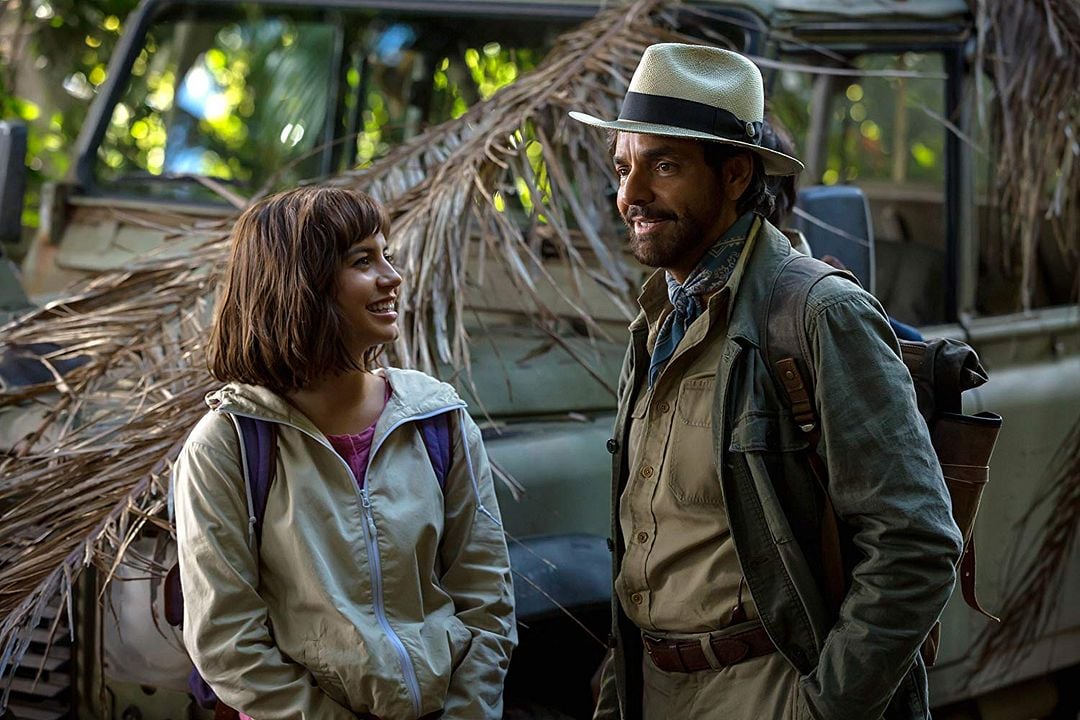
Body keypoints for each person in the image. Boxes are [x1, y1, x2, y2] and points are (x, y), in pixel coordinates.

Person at [569, 44, 962, 719]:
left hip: (768, 686)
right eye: (624, 167)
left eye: (664, 166)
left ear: (735, 175)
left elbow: (915, 542)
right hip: (656, 684)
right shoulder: (658, 317)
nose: (630, 196)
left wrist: (823, 708)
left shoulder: (816, 312)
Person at [172, 186, 516, 720]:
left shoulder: (438, 421)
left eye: (387, 255)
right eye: (362, 261)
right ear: (300, 285)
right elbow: (227, 644)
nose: (392, 277)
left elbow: (487, 599)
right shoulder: (228, 445)